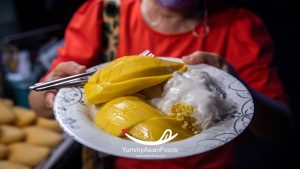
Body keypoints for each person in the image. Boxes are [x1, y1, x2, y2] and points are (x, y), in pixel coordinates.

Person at [29, 0, 292, 168]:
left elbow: (280, 129)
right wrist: (51, 92)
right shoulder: (104, 13)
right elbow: (38, 105)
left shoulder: (240, 27)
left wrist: (239, 90)